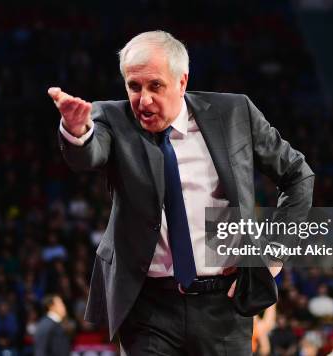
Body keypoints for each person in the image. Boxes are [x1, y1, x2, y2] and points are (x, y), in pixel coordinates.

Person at [49, 30, 314, 355]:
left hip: (224, 304)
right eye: (134, 86)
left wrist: (273, 253)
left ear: (182, 81)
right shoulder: (112, 118)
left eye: (155, 86)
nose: (143, 99)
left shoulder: (234, 113)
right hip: (147, 306)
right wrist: (77, 132)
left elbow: (298, 175)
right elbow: (90, 153)